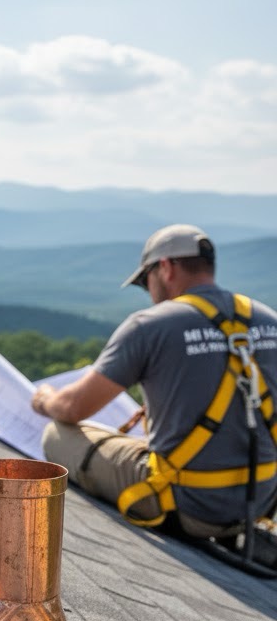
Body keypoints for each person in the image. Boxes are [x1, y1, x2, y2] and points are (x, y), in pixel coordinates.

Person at [31, 224, 277, 540]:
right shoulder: (268, 320)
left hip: (188, 504)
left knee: (56, 432)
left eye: (146, 280)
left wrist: (43, 398)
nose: (149, 292)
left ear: (165, 267)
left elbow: (73, 407)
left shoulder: (151, 326)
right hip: (260, 499)